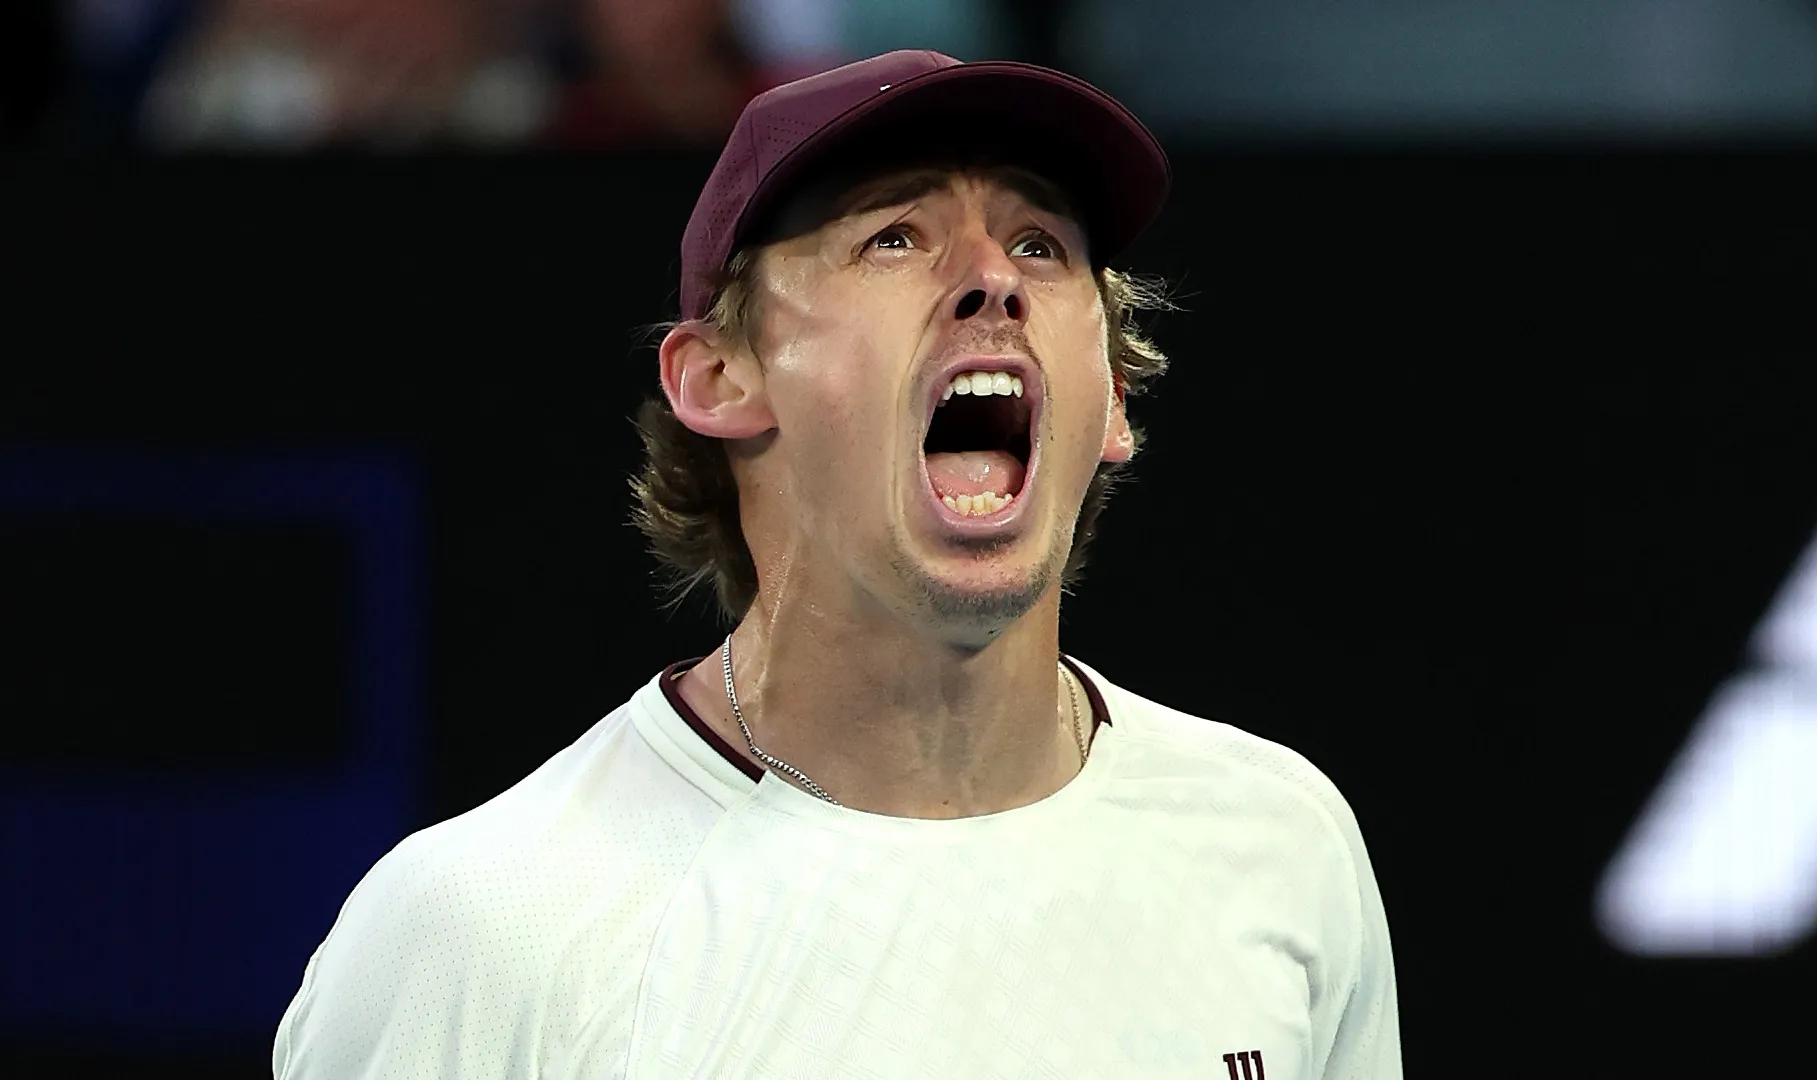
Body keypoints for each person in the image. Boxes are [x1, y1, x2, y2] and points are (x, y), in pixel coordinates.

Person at [273, 49, 1403, 1079]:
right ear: (719, 378)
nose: (992, 280)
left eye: (1040, 245)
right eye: (895, 237)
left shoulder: (1282, 844)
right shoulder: (485, 932)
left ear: (1114, 395)